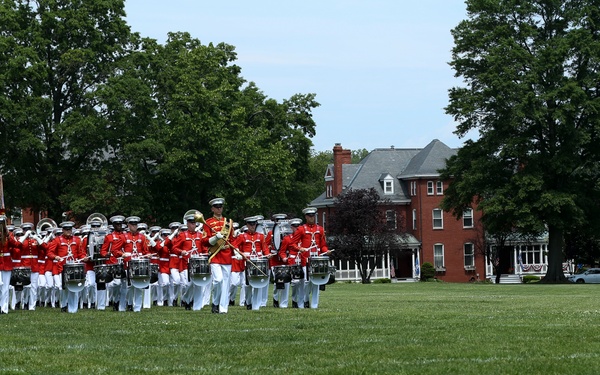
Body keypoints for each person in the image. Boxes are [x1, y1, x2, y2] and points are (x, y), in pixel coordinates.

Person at [290, 207, 329, 309]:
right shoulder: (301, 229)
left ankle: (314, 304)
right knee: (306, 282)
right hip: (306, 259)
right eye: (309, 216)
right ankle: (305, 301)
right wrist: (300, 248)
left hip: (317, 258)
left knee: (316, 282)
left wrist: (326, 251)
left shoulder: (320, 229)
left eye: (313, 216)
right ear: (306, 217)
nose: (312, 218)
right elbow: (293, 244)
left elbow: (323, 245)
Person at [202, 197, 236, 314]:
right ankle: (215, 302)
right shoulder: (208, 223)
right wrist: (215, 237)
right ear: (212, 208)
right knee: (218, 280)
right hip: (215, 255)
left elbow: (232, 239)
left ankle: (223, 308)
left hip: (226, 255)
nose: (219, 209)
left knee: (226, 283)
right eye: (216, 207)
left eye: (220, 207)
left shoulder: (228, 222)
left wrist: (234, 251)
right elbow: (204, 241)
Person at [47, 221, 85, 313]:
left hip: (74, 267)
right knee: (64, 288)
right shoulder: (57, 240)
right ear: (63, 230)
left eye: (70, 229)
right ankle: (64, 305)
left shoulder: (77, 240)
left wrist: (84, 258)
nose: (68, 231)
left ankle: (73, 309)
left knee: (74, 288)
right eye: (66, 229)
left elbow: (81, 253)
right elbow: (49, 252)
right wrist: (55, 257)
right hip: (62, 267)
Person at [231, 216, 268, 311]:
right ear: (247, 225)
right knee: (246, 284)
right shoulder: (242, 236)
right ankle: (248, 302)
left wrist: (268, 254)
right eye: (250, 224)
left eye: (254, 224)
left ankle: (256, 304)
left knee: (258, 283)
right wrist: (239, 253)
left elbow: (264, 248)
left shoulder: (261, 236)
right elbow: (234, 245)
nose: (252, 226)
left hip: (258, 261)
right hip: (247, 262)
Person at [176, 214, 207, 310]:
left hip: (198, 263)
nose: (193, 225)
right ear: (187, 224)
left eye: (194, 223)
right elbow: (174, 248)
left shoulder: (201, 235)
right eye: (191, 223)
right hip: (186, 263)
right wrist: (181, 252)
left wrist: (205, 254)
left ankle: (196, 306)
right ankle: (186, 299)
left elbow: (204, 248)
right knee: (188, 285)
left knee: (198, 284)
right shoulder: (182, 235)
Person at [121, 216, 149, 312]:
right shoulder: (124, 236)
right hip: (128, 263)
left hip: (139, 263)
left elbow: (145, 250)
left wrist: (147, 255)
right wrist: (122, 254)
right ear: (128, 225)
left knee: (139, 285)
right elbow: (116, 250)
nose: (134, 226)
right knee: (129, 286)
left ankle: (137, 307)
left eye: (135, 225)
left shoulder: (142, 237)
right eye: (132, 225)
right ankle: (129, 303)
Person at [100, 215, 126, 311]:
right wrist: (106, 254)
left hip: (125, 262)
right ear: (114, 225)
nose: (119, 225)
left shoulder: (125, 235)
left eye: (120, 224)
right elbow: (102, 251)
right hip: (113, 262)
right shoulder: (109, 237)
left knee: (125, 284)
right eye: (117, 224)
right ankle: (115, 300)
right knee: (116, 283)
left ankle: (121, 303)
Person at [267, 213, 288, 308]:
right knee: (277, 281)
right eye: (278, 221)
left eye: (282, 221)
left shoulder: (288, 233)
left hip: (284, 260)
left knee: (286, 280)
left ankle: (284, 302)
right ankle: (275, 298)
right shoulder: (270, 233)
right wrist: (269, 251)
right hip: (275, 260)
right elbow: (265, 246)